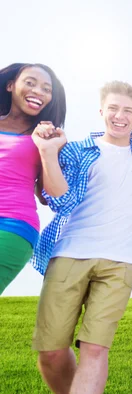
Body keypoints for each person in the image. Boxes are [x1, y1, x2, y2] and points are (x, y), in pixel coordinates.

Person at [30, 80, 132, 394]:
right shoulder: (76, 150)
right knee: (51, 351)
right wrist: (48, 152)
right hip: (71, 252)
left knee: (95, 348)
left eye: (128, 111)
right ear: (101, 111)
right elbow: (60, 201)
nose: (120, 116)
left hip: (123, 261)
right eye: (113, 108)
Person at [0, 62, 66, 294]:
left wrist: (48, 150)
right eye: (30, 83)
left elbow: (51, 197)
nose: (39, 91)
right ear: (10, 85)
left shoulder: (45, 136)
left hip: (12, 225)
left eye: (47, 89)